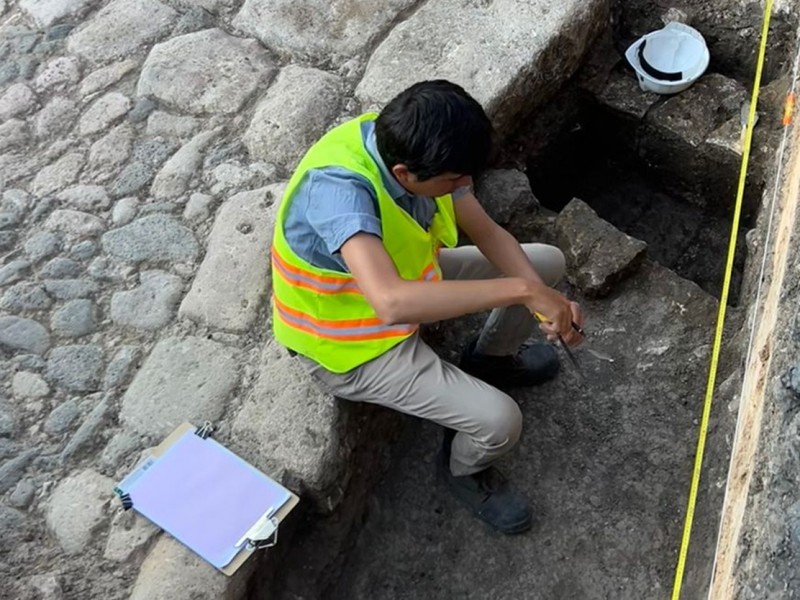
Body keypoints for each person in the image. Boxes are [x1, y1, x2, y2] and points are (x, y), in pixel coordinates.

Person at [271, 79, 584, 535]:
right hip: (353, 347)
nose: (464, 187)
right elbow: (390, 301)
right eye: (455, 182)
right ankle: (463, 471)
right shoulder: (338, 194)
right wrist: (522, 292)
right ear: (404, 175)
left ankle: (490, 360)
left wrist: (542, 298)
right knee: (501, 423)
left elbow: (488, 232)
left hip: (413, 286)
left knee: (545, 264)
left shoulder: (419, 147)